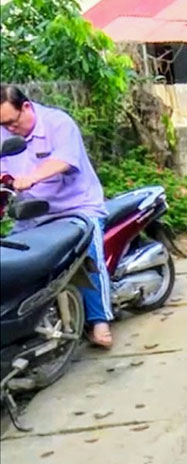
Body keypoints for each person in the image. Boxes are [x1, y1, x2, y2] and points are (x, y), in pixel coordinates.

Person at [0, 85, 114, 348]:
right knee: (11, 262)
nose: (10, 129)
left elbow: (64, 159)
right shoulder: (4, 132)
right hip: (33, 215)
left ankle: (100, 320)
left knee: (89, 258)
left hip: (77, 208)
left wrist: (32, 177)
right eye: (4, 125)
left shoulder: (58, 123)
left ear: (26, 107)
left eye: (12, 122)